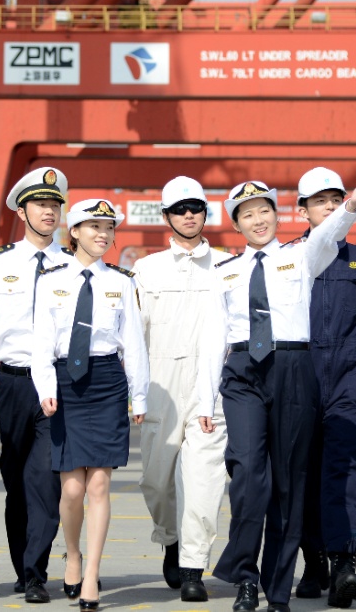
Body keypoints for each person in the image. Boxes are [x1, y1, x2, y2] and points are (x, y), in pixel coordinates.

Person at [198, 175, 356, 612]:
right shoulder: (224, 272)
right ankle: (246, 578)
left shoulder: (302, 256)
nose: (258, 220)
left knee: (289, 484)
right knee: (247, 474)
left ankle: (277, 592)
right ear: (236, 224)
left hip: (295, 370)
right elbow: (212, 339)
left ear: (278, 216)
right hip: (243, 372)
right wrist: (205, 401)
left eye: (264, 210)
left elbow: (329, 234)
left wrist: (350, 206)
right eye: (247, 215)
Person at [32, 198, 149, 612]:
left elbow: (133, 343)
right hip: (65, 382)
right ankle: (73, 554)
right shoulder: (50, 280)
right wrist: (45, 386)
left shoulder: (121, 282)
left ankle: (92, 574)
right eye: (95, 226)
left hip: (106, 382)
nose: (103, 234)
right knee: (72, 488)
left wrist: (139, 394)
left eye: (109, 227)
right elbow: (41, 341)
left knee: (98, 484)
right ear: (75, 232)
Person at [292, 168, 356, 608]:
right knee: (302, 473)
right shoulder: (288, 258)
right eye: (320, 201)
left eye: (336, 200)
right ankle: (313, 560)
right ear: (302, 211)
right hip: (300, 375)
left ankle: (343, 564)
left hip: (351, 375)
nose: (331, 207)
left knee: (348, 469)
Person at [0, 166, 72, 603]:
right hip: (12, 384)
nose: (49, 212)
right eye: (40, 204)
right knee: (15, 480)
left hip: (57, 383)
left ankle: (35, 572)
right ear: (21, 211)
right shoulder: (0, 262)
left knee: (45, 479)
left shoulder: (73, 263)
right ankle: (22, 564)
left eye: (54, 205)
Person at [131, 177, 230, 602]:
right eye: (179, 209)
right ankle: (170, 537)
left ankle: (193, 566)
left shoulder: (228, 266)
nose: (189, 215)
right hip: (161, 384)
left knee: (205, 481)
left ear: (206, 213)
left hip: (212, 387)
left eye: (195, 207)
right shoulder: (146, 269)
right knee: (156, 481)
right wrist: (134, 390)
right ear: (166, 217)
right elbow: (132, 335)